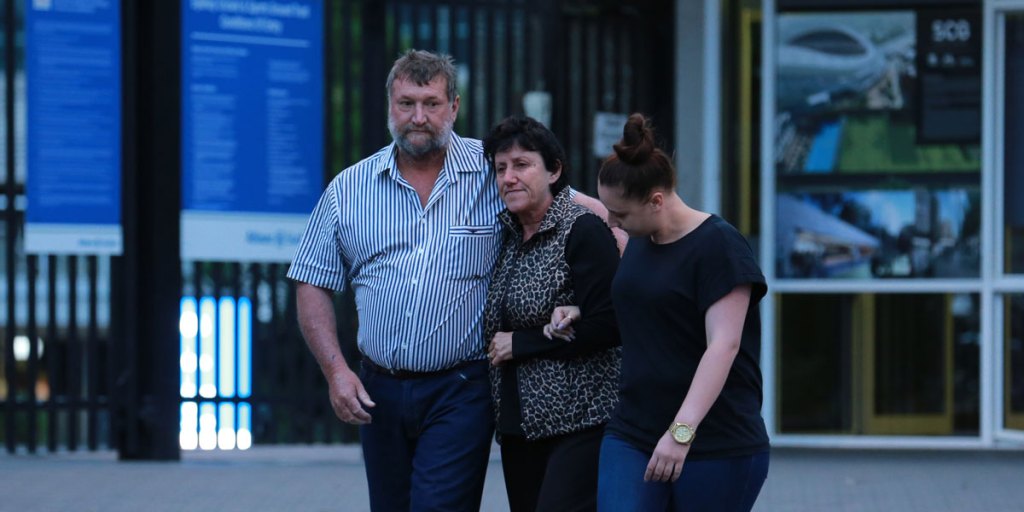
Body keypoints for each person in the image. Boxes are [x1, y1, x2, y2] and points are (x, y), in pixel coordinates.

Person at [287, 49, 616, 512]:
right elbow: (311, 280)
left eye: (431, 103)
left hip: (461, 388)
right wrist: (336, 372)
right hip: (378, 390)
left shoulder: (494, 172)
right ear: (389, 107)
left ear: (454, 107)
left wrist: (591, 296)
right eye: (406, 103)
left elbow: (588, 214)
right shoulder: (348, 189)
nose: (418, 117)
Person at [552, 113, 769, 511]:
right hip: (633, 431)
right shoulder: (641, 237)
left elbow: (723, 345)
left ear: (656, 200)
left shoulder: (718, 246)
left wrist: (680, 434)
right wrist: (582, 310)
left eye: (620, 214)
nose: (612, 222)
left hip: (716, 442)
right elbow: (651, 307)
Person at [481, 115, 621, 512]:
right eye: (501, 169)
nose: (509, 177)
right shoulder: (508, 235)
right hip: (518, 426)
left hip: (578, 422)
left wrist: (523, 343)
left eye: (522, 165)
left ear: (554, 170)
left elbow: (611, 323)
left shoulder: (582, 230)